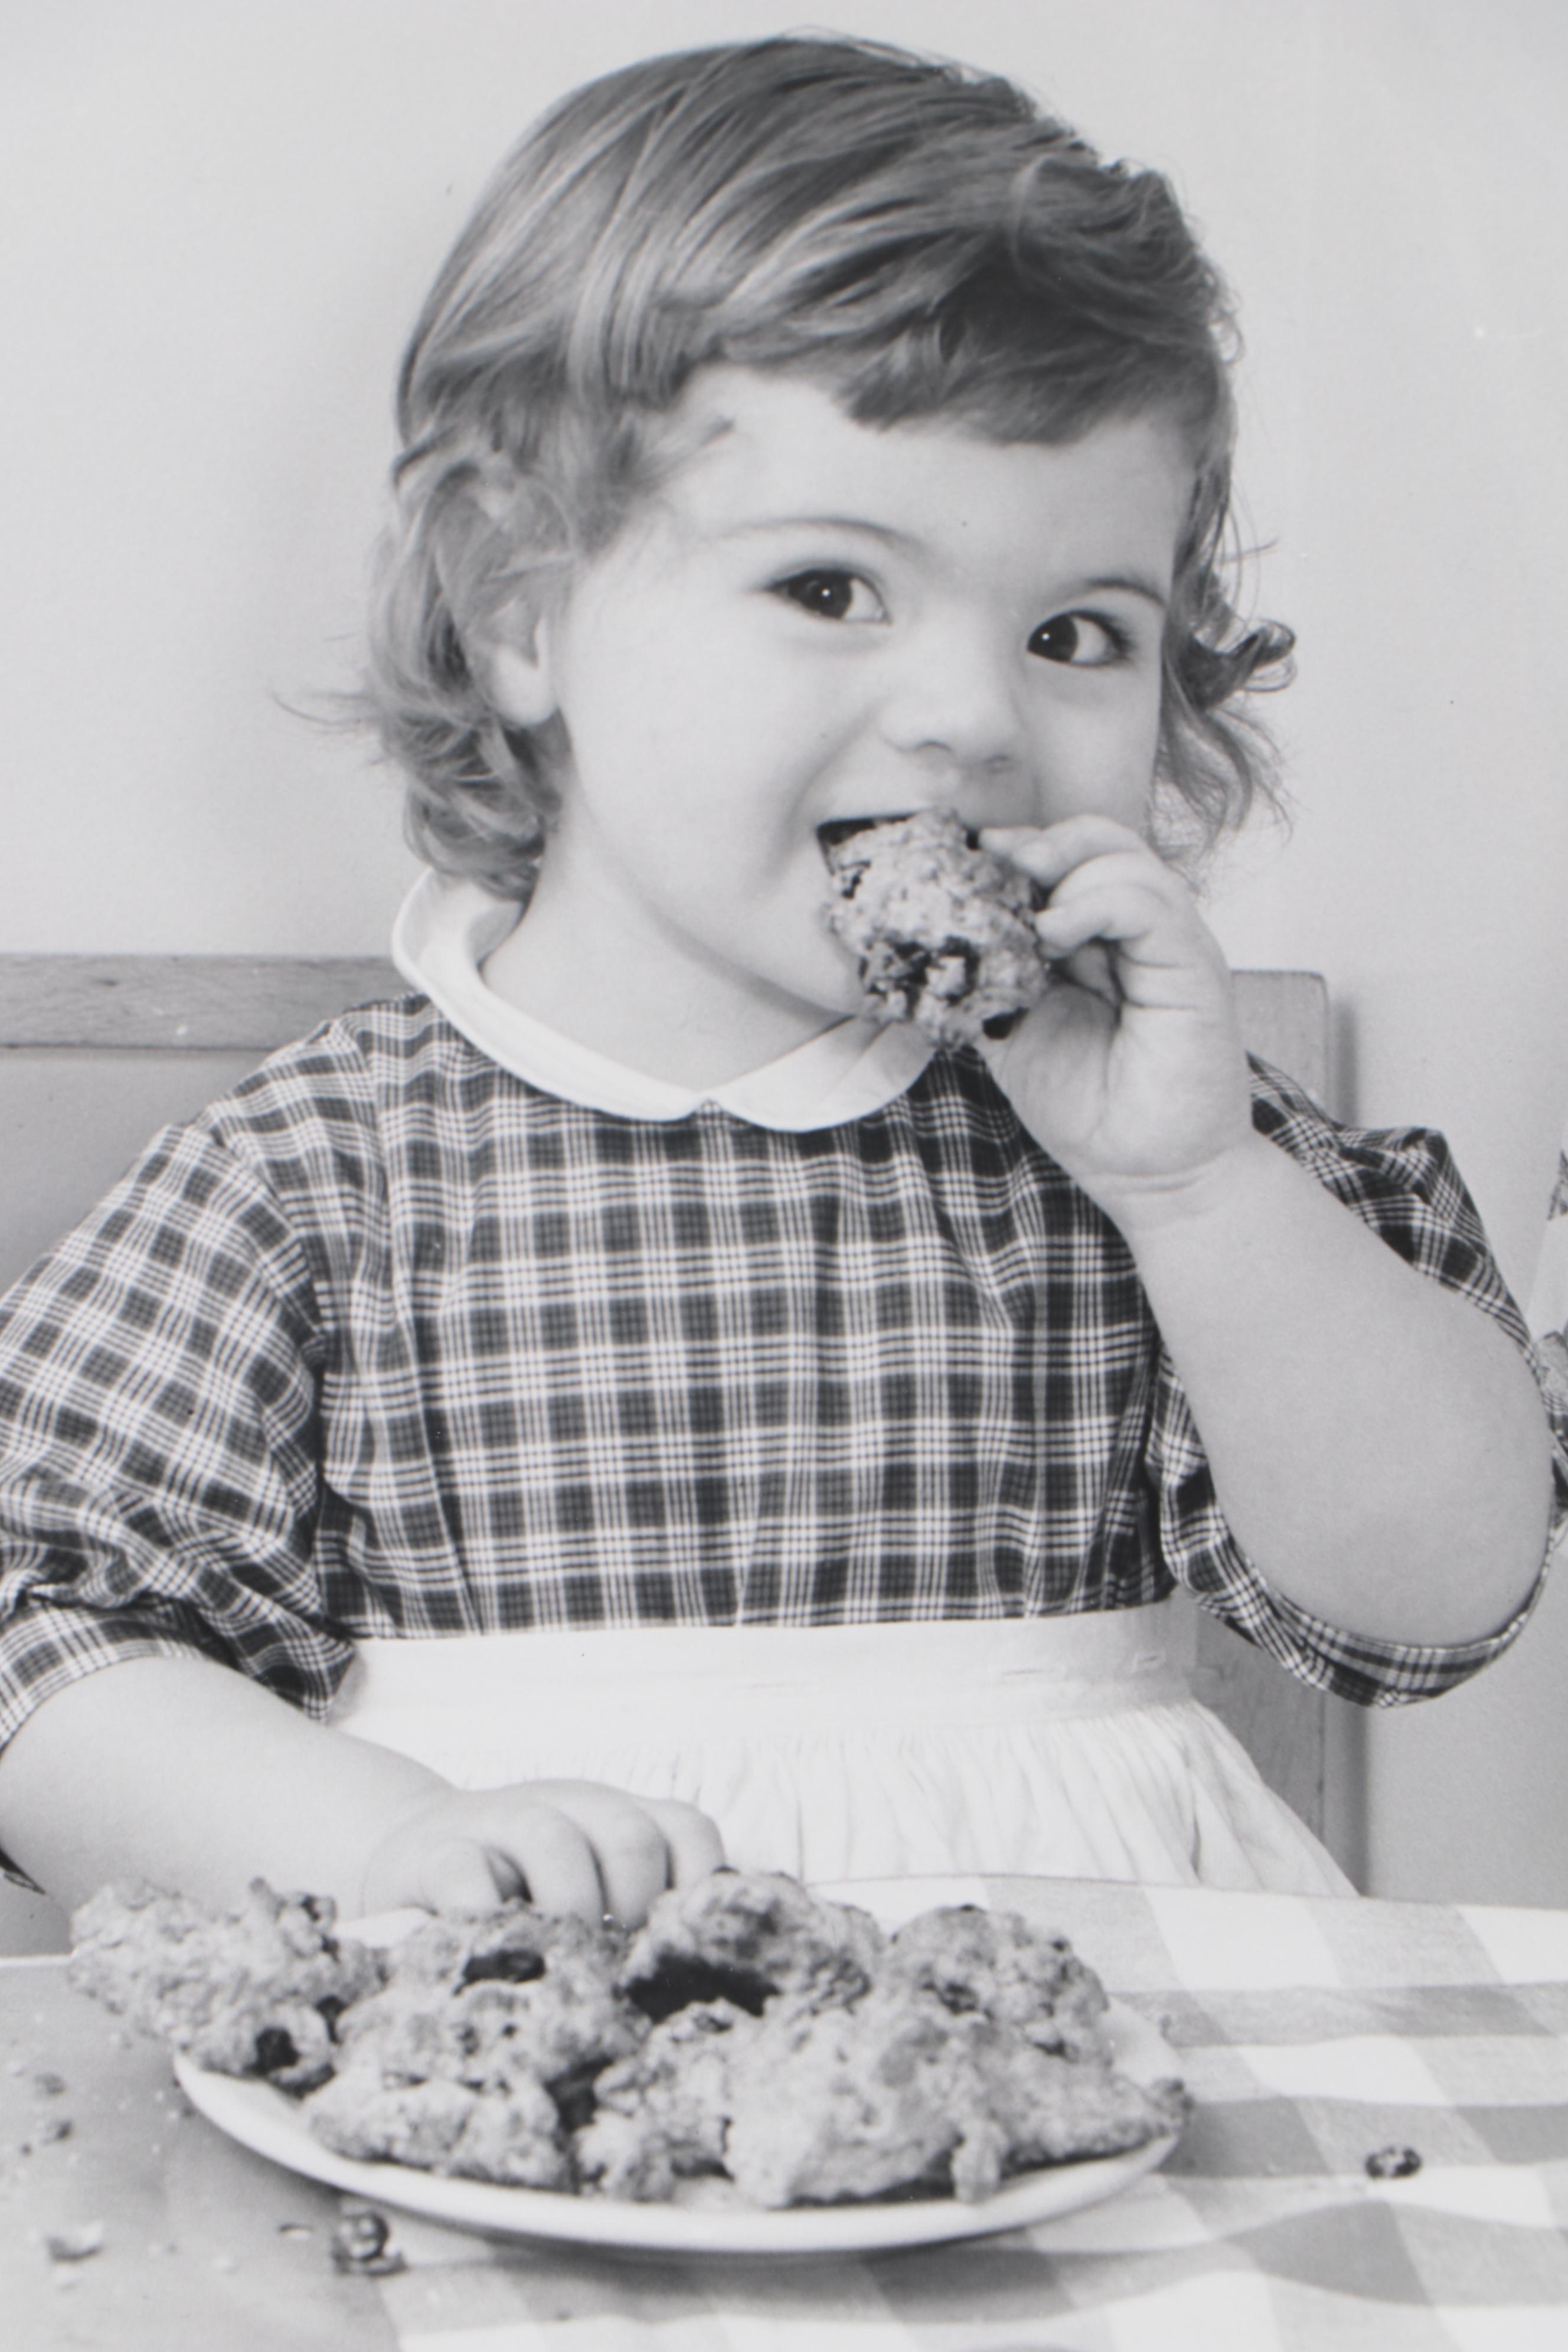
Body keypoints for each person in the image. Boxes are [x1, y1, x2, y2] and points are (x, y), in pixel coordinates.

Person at [0, 34, 1562, 1930]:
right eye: (833, 587)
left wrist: (1200, 1185)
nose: (976, 719)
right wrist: (376, 1843)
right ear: (519, 605)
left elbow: (1442, 1598)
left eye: (1078, 631)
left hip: (1124, 2073)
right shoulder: (319, 1181)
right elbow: (45, 1632)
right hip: (529, 2084)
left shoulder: (1158, 1142)